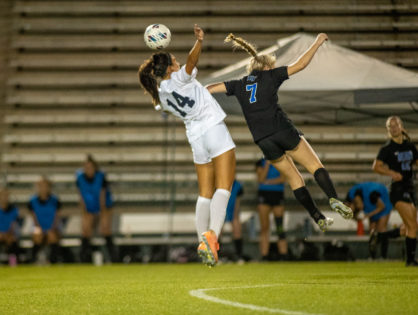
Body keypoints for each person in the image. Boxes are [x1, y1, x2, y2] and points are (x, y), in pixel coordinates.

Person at [206, 33, 352, 232]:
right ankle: (334, 198)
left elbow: (209, 88)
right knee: (314, 165)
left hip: (263, 140)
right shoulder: (270, 75)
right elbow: (300, 64)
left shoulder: (239, 84)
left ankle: (317, 216)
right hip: (281, 129)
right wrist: (317, 43)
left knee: (294, 179)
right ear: (267, 67)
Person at [138, 24, 236, 267]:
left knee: (204, 194)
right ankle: (212, 237)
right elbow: (191, 63)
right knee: (223, 188)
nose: (179, 62)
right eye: (175, 60)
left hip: (195, 138)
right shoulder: (179, 78)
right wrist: (199, 41)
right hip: (212, 128)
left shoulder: (161, 94)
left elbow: (184, 75)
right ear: (170, 68)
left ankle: (202, 242)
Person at [372, 116, 418, 266]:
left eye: (396, 125)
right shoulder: (387, 149)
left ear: (401, 126)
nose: (394, 128)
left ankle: (381, 236)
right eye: (390, 126)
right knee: (412, 226)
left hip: (411, 188)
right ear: (388, 130)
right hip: (397, 190)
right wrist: (391, 173)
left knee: (408, 228)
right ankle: (410, 261)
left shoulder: (410, 146)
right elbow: (376, 166)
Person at [76, 154, 116, 263]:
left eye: (91, 167)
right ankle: (84, 257)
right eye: (86, 167)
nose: (89, 169)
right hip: (89, 207)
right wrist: (84, 211)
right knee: (86, 229)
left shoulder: (100, 177)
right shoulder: (79, 177)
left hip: (102, 206)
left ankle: (113, 257)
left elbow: (102, 195)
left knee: (105, 228)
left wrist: (102, 211)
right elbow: (81, 196)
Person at [346, 182, 400, 259]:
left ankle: (383, 256)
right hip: (371, 209)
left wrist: (367, 215)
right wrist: (356, 217)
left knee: (381, 229)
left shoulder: (372, 195)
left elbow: (382, 207)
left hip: (384, 207)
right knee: (372, 232)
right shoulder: (352, 196)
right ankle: (372, 256)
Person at [256, 158, 288, 261]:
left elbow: (283, 178)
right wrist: (267, 165)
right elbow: (261, 179)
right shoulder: (260, 163)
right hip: (264, 195)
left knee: (280, 227)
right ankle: (264, 255)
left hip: (277, 195)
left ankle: (283, 255)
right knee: (264, 227)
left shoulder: (281, 160)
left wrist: (268, 182)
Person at [28, 176, 62, 263]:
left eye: (46, 186)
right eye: (41, 186)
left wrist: (52, 228)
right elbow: (34, 217)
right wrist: (39, 228)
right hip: (39, 227)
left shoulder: (55, 200)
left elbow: (57, 217)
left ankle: (53, 260)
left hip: (52, 227)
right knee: (37, 234)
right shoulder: (32, 201)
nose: (44, 188)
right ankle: (34, 259)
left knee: (52, 235)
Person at [223, 179, 245, 261]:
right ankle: (215, 255)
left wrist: (235, 214)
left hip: (232, 209)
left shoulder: (237, 185)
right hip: (220, 209)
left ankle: (239, 256)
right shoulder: (218, 182)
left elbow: (237, 202)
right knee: (217, 231)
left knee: (237, 229)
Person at [0, 187, 20, 266]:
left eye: (6, 196)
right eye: (2, 195)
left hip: (9, 233)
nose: (4, 198)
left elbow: (13, 224)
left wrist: (8, 233)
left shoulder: (13, 209)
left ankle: (13, 262)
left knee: (12, 239)